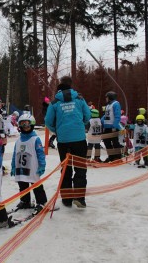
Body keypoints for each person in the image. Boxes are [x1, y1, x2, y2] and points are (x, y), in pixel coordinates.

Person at [45, 75, 91, 208]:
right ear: (71, 85)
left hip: (63, 140)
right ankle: (79, 197)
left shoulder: (55, 102)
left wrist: (57, 130)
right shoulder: (79, 99)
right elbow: (87, 115)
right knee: (80, 167)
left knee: (66, 168)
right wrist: (81, 124)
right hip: (79, 138)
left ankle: (66, 198)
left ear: (60, 84)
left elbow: (48, 121)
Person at [11, 114, 47, 215]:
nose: (25, 127)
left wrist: (42, 165)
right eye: (22, 124)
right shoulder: (18, 141)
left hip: (33, 168)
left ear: (32, 125)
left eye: (27, 124)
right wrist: (13, 166)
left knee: (36, 185)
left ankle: (41, 202)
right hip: (21, 168)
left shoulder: (35, 139)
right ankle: (25, 201)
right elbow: (15, 154)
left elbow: (40, 153)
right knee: (22, 184)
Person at [101, 91, 123, 162]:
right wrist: (101, 121)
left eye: (107, 97)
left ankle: (118, 157)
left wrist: (114, 126)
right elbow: (106, 115)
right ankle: (111, 156)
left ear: (110, 97)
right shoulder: (108, 105)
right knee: (106, 142)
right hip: (107, 127)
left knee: (115, 142)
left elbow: (117, 116)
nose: (106, 99)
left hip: (113, 127)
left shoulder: (116, 104)